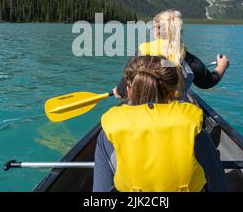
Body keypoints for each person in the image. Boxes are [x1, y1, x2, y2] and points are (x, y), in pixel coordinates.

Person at [93, 56, 228, 192]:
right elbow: (219, 186)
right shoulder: (195, 130)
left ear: (129, 91)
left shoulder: (108, 135)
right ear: (172, 93)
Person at [114, 10, 229, 101]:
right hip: (176, 116)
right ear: (179, 32)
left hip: (144, 114)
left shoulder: (140, 55)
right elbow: (207, 82)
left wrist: (117, 92)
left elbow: (122, 91)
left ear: (156, 31)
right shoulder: (187, 59)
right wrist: (221, 66)